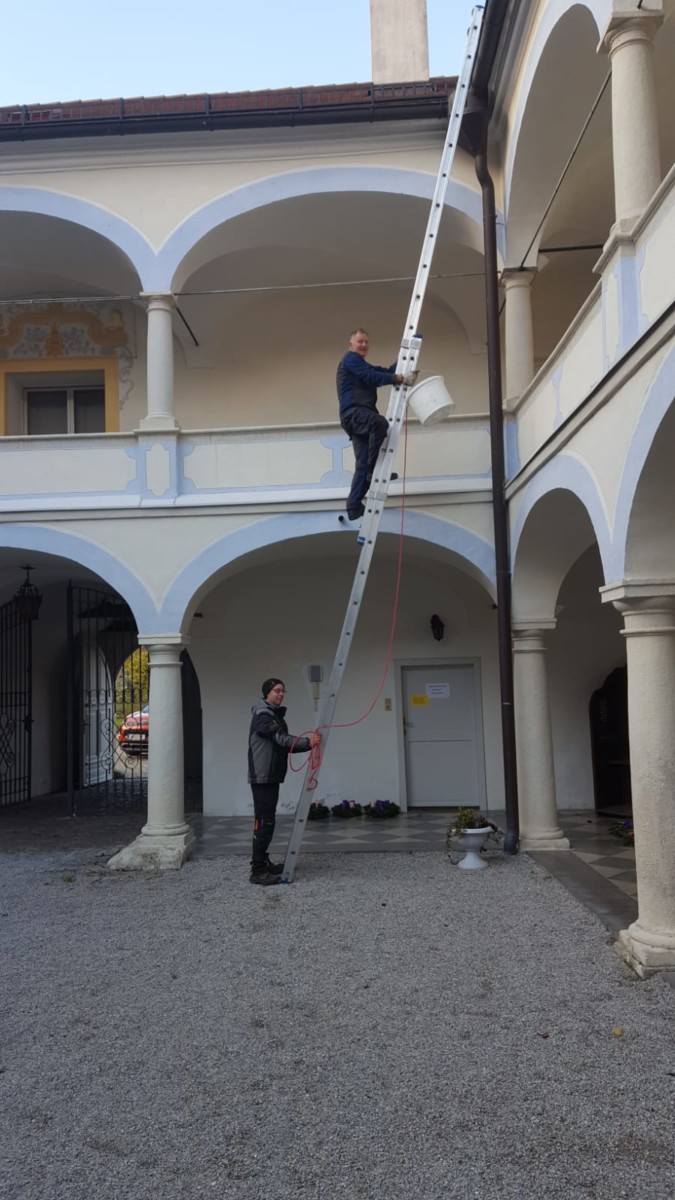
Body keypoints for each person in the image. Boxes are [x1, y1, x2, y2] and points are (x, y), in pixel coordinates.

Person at [247, 678, 321, 886]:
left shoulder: (271, 714)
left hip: (270, 776)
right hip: (263, 777)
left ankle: (264, 861)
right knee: (264, 821)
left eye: (282, 691)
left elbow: (281, 741)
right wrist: (308, 743)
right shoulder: (263, 714)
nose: (280, 694)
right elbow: (280, 739)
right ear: (267, 693)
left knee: (267, 819)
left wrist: (306, 744)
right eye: (276, 691)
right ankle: (258, 870)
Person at [336, 328, 416, 520]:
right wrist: (398, 378)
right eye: (360, 341)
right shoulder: (350, 360)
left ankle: (354, 506)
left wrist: (404, 360)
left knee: (362, 465)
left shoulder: (362, 366)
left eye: (366, 342)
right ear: (351, 345)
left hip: (358, 417)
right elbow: (373, 377)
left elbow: (382, 372)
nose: (364, 345)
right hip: (355, 414)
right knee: (379, 424)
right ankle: (374, 472)